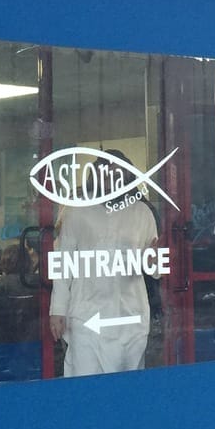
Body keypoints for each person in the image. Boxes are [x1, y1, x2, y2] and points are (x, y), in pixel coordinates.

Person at [48, 150, 163, 377]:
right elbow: (63, 262)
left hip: (130, 316)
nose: (111, 179)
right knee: (86, 382)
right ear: (95, 175)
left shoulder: (142, 213)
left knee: (127, 386)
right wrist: (58, 310)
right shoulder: (77, 210)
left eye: (117, 173)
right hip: (86, 314)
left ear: (128, 176)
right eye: (106, 173)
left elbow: (155, 269)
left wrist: (153, 261)